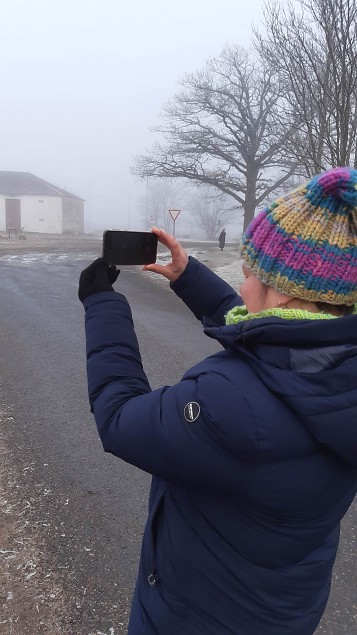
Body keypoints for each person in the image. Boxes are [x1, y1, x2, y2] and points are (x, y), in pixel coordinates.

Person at [78, 166, 357, 635]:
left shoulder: (231, 403)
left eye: (249, 275)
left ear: (285, 292)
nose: (243, 288)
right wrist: (189, 277)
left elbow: (120, 419)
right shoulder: (337, 365)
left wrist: (102, 304)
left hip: (196, 618)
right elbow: (276, 345)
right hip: (280, 610)